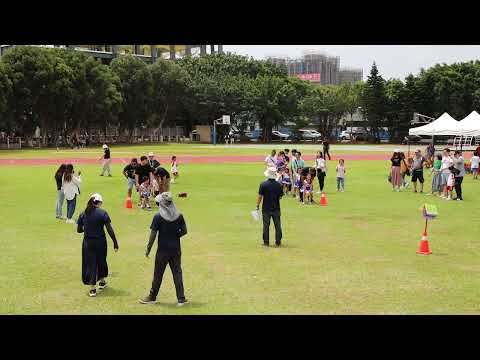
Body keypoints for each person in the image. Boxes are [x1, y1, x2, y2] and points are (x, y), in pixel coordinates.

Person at [139, 192, 188, 306]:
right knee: (177, 273)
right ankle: (181, 299)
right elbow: (184, 231)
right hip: (176, 249)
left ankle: (152, 297)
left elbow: (153, 235)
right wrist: (175, 236)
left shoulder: (158, 217)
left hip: (162, 250)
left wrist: (148, 249)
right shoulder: (179, 216)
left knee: (158, 274)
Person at [77, 193, 119, 298]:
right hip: (100, 242)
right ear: (99, 203)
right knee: (101, 261)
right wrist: (115, 242)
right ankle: (101, 281)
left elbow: (78, 230)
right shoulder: (102, 213)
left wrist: (86, 229)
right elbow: (109, 229)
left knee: (90, 263)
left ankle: (92, 289)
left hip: (87, 243)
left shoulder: (83, 213)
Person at [256, 167, 284, 247]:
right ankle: (278, 242)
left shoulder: (263, 184)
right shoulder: (279, 185)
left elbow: (260, 196)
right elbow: (280, 197)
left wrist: (257, 205)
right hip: (276, 208)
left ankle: (266, 242)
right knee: (277, 225)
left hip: (266, 208)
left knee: (266, 226)